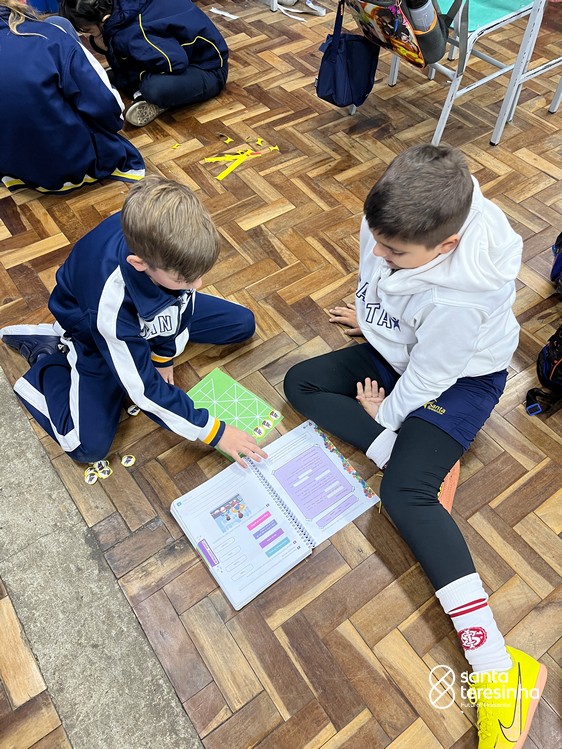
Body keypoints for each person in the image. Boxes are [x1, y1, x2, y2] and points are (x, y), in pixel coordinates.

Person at [284, 145, 547, 749]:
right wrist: (374, 316)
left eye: (395, 252)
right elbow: (384, 274)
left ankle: (497, 669)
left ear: (446, 246)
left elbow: (431, 375)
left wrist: (386, 413)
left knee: (404, 499)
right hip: (403, 352)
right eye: (377, 238)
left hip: (458, 380)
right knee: (300, 382)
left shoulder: (460, 299)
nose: (378, 253)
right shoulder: (404, 217)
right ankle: (404, 456)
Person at [0, 177, 266, 469]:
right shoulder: (110, 305)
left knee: (242, 324)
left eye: (200, 274)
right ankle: (49, 357)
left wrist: (163, 357)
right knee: (87, 447)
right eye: (186, 278)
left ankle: (152, 324)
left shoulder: (165, 240)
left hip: (148, 305)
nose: (198, 284)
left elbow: (183, 302)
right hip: (93, 333)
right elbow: (144, 390)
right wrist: (215, 432)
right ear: (139, 263)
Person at [0, 0, 144, 194]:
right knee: (60, 26)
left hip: (12, 166)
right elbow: (105, 108)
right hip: (72, 164)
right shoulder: (51, 36)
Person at [60, 0, 229, 127]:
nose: (86, 35)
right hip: (175, 53)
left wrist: (135, 74)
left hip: (209, 69)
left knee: (153, 88)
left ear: (105, 19)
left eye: (88, 30)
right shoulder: (123, 11)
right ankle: (131, 76)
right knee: (112, 73)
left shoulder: (134, 32)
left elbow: (174, 63)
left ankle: (158, 101)